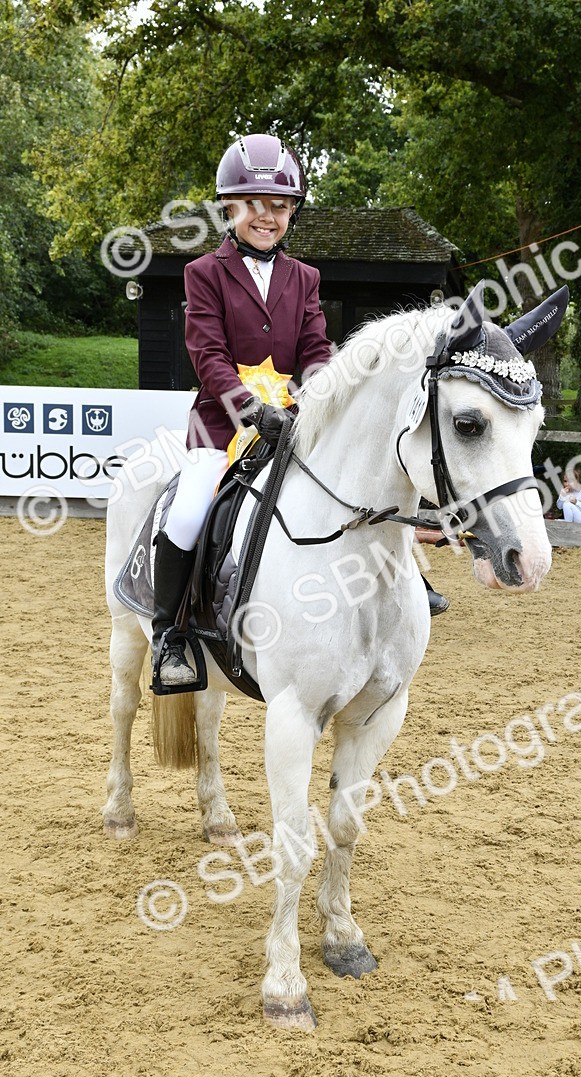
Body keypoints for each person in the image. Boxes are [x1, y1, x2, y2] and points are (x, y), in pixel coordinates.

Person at [152, 133, 331, 687]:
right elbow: (207, 354)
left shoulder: (306, 278)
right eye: (254, 204)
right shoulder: (203, 273)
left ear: (291, 214)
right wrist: (250, 409)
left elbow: (317, 351)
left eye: (280, 206)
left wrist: (322, 392)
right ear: (229, 208)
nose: (267, 217)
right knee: (186, 514)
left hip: (292, 421)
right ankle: (170, 636)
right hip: (222, 422)